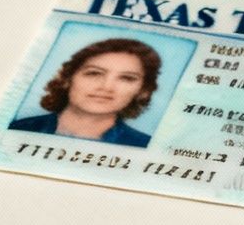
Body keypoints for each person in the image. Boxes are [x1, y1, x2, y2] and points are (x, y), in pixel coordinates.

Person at [10, 37, 162, 146]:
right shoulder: (17, 129)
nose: (106, 87)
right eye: (94, 73)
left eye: (127, 78)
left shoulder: (142, 145)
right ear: (67, 78)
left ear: (143, 91)